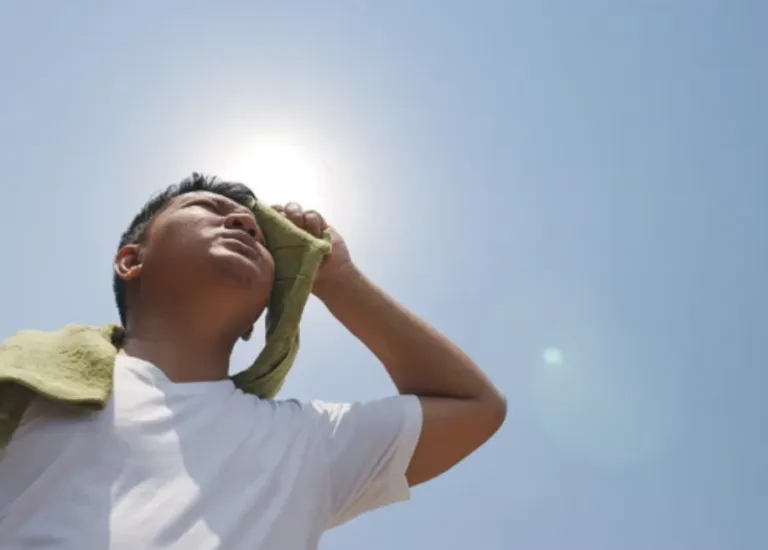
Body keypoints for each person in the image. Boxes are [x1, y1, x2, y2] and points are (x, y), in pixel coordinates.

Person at [0, 174, 506, 549]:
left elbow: (475, 406)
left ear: (255, 322)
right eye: (207, 207)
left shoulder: (305, 442)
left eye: (262, 239)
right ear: (131, 260)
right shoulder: (31, 380)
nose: (243, 223)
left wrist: (339, 279)